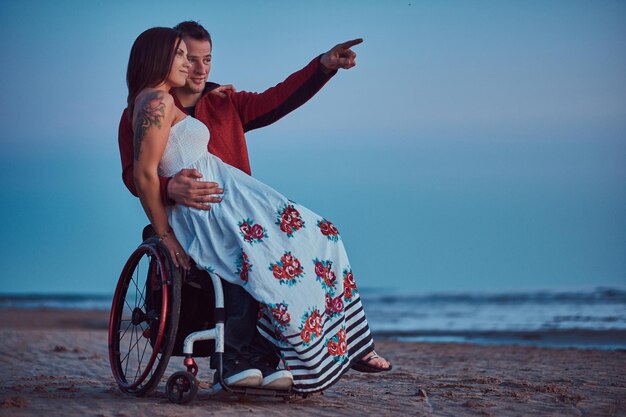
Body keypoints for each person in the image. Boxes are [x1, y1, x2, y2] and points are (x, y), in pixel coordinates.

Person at [121, 24, 391, 392]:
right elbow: (140, 174)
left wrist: (324, 66)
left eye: (205, 60)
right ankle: (241, 358)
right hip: (210, 211)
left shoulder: (220, 101)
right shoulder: (151, 104)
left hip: (236, 200)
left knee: (321, 235)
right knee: (253, 257)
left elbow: (276, 100)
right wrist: (171, 197)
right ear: (160, 58)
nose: (196, 68)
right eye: (185, 56)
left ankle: (345, 341)